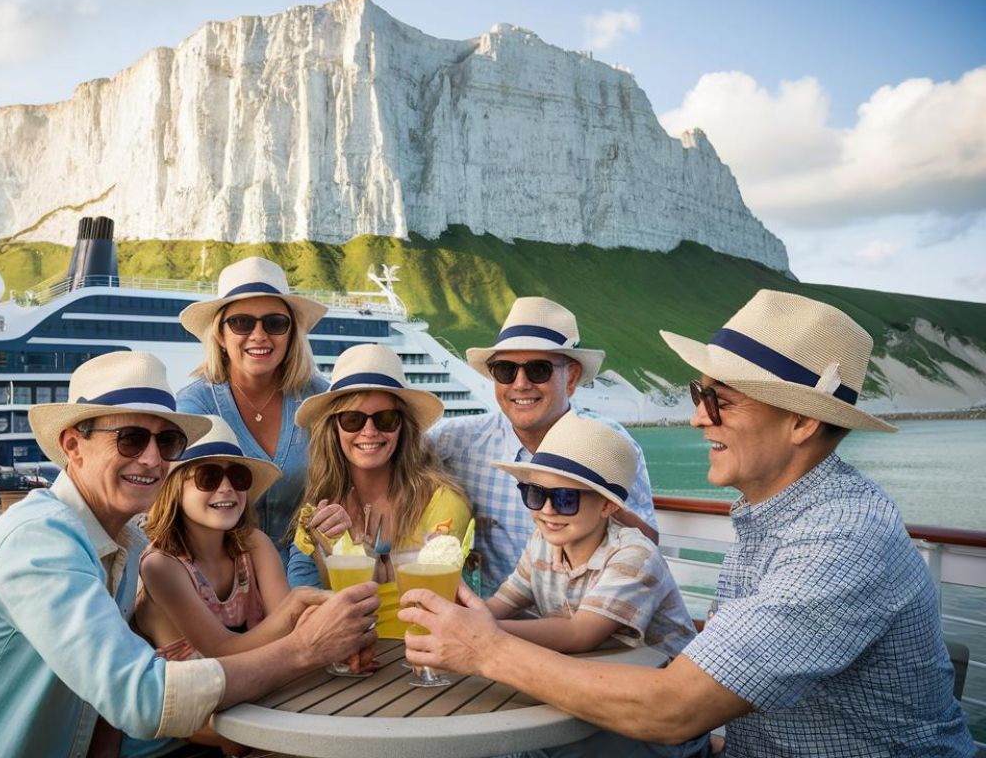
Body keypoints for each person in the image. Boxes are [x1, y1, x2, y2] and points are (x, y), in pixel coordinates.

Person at [400, 290, 975, 757]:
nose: (698, 416)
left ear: (801, 422)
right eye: (701, 394)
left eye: (720, 399)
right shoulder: (774, 512)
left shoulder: (841, 537)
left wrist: (484, 648)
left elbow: (673, 709)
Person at [0, 352, 377, 757]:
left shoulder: (124, 545)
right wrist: (305, 648)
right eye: (131, 438)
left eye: (168, 441)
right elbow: (142, 698)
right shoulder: (40, 539)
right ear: (73, 445)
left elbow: (98, 712)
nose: (153, 458)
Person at [129, 415, 332, 757]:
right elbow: (219, 653)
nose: (226, 488)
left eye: (237, 477)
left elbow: (290, 635)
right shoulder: (161, 566)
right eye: (208, 477)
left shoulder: (254, 544)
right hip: (180, 733)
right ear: (175, 490)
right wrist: (296, 607)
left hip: (247, 707)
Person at [431, 296, 659, 596]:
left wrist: (608, 505)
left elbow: (647, 544)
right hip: (498, 620)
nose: (520, 383)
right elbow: (384, 450)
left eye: (538, 369)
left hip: (587, 622)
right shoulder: (458, 441)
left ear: (572, 376)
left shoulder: (608, 444)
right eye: (505, 370)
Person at [287, 344, 472, 638]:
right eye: (352, 419)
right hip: (344, 661)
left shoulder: (443, 502)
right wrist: (327, 552)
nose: (369, 431)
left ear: (403, 427)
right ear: (333, 428)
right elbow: (301, 605)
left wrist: (352, 565)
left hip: (420, 654)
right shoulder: (316, 513)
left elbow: (433, 601)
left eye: (385, 419)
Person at [485, 412, 695, 659]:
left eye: (566, 499)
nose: (547, 510)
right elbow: (499, 606)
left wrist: (481, 629)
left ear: (607, 506)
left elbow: (579, 634)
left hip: (663, 678)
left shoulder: (635, 554)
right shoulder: (540, 543)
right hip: (598, 668)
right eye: (536, 494)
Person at [178, 256, 329, 564]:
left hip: (312, 569)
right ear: (220, 334)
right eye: (242, 322)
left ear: (291, 333)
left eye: (274, 323)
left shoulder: (320, 398)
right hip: (227, 577)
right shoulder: (195, 405)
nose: (259, 335)